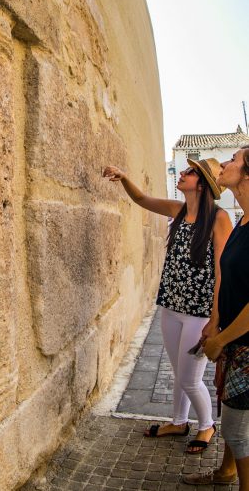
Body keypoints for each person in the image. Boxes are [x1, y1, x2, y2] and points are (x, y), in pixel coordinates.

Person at [103, 158, 232, 453]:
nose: (182, 174)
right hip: (171, 306)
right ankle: (178, 421)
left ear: (201, 184)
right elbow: (140, 198)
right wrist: (123, 175)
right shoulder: (179, 209)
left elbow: (222, 269)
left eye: (188, 172)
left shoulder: (219, 218)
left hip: (199, 314)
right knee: (180, 373)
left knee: (190, 377)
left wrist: (215, 318)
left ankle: (207, 425)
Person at [183, 145, 249, 488]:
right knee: (234, 413)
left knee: (240, 431)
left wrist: (221, 338)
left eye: (234, 160)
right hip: (235, 340)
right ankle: (226, 472)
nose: (225, 162)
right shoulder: (241, 219)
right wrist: (218, 325)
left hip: (246, 346)